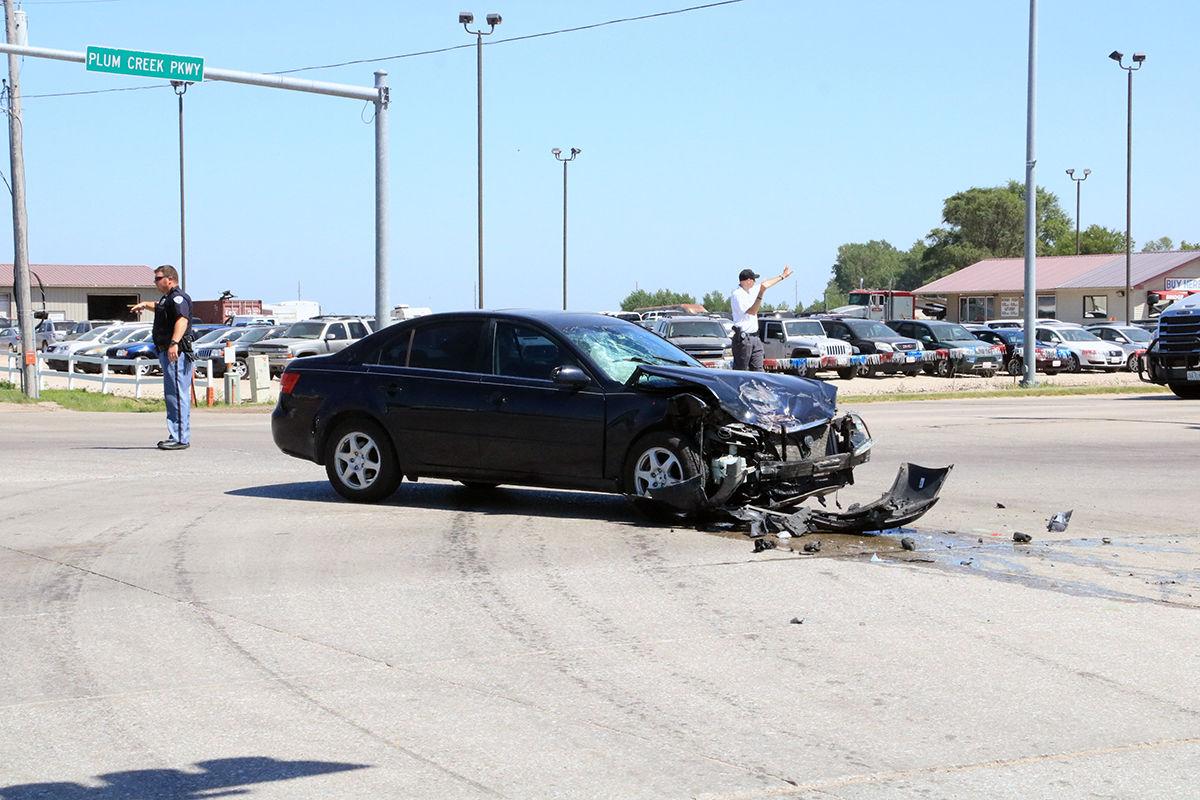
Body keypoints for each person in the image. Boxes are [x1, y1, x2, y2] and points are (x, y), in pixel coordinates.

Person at [130, 265, 194, 450]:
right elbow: (161, 308)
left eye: (158, 278)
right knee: (172, 394)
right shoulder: (168, 299)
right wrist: (145, 305)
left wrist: (174, 343)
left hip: (175, 352)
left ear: (170, 279)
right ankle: (176, 434)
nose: (155, 282)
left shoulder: (178, 297)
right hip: (166, 351)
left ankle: (180, 438)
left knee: (176, 394)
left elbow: (182, 320)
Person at [729, 265, 792, 371]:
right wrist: (761, 294)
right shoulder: (738, 294)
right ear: (749, 280)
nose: (755, 282)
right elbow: (752, 311)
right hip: (743, 339)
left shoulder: (751, 290)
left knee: (759, 369)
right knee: (742, 370)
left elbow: (765, 284)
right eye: (754, 279)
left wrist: (782, 276)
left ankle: (758, 387)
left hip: (755, 337)